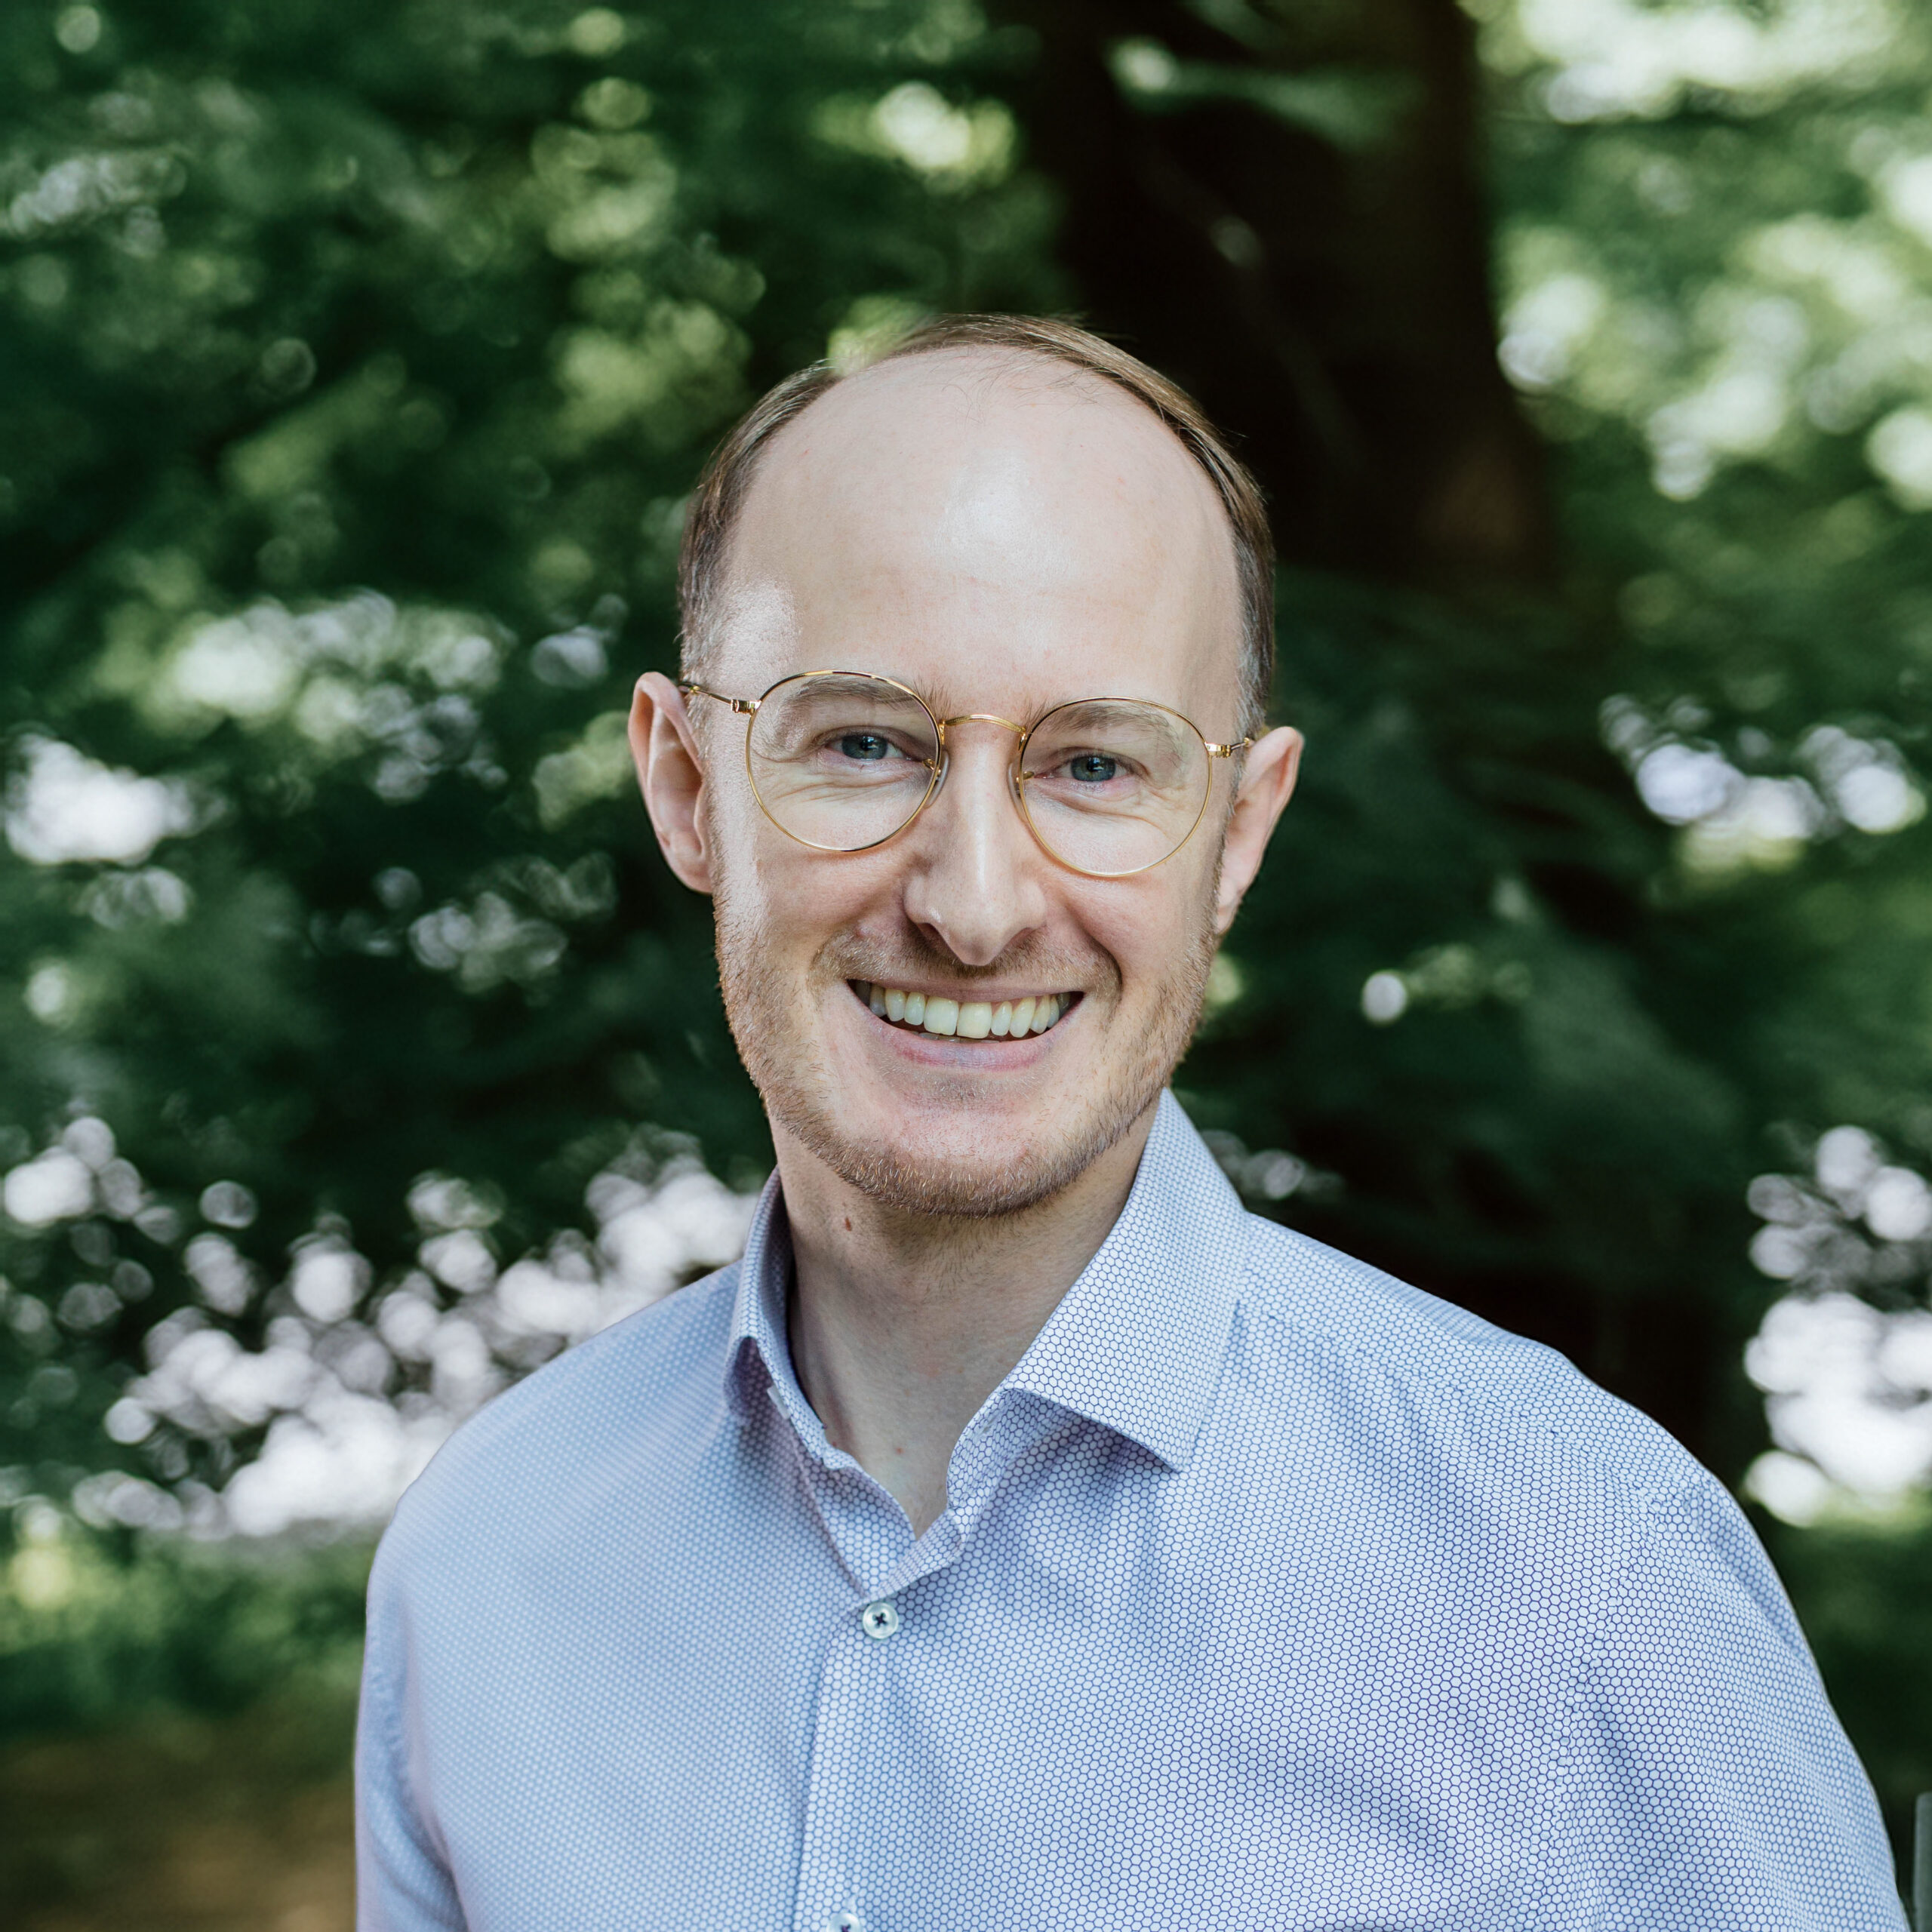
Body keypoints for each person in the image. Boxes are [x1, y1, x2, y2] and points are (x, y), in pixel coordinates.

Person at [355, 315, 1906, 1930]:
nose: (970, 902)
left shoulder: (1586, 1575)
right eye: (863, 744)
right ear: (686, 786)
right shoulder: (485, 1558)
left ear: (1237, 833)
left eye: (1093, 763)